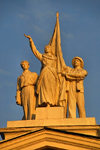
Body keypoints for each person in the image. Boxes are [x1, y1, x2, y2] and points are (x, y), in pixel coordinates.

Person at [24, 34, 59, 107]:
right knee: (45, 88)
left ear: (51, 49)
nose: (46, 49)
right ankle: (46, 102)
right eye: (45, 48)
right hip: (44, 74)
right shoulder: (43, 57)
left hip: (52, 74)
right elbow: (35, 51)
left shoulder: (55, 58)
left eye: (48, 48)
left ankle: (52, 102)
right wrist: (31, 41)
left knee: (51, 88)